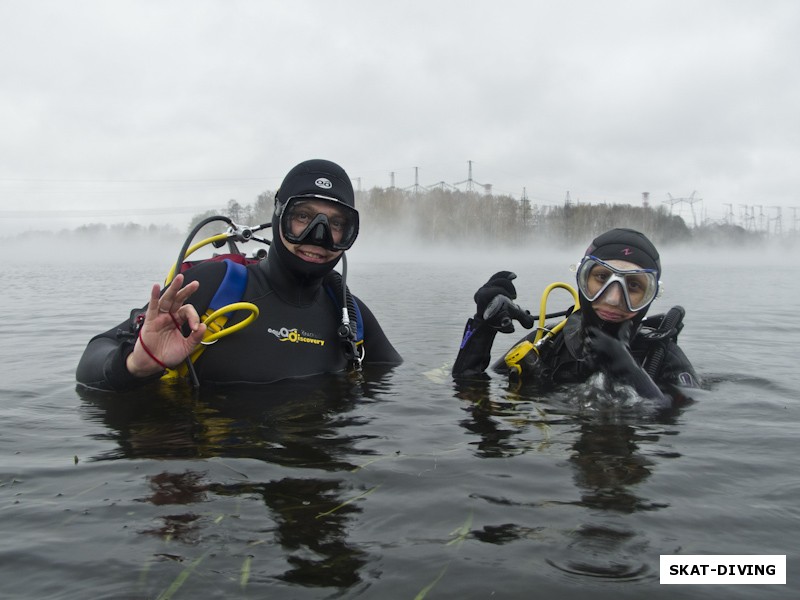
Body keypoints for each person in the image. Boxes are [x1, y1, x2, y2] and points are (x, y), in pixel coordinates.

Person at [77, 159, 402, 390]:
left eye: (335, 224)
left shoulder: (349, 313)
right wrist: (137, 364)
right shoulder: (213, 287)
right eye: (303, 216)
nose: (319, 237)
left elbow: (402, 388)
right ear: (278, 218)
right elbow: (93, 359)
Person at [452, 228, 699, 409]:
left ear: (651, 295)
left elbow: (678, 422)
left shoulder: (664, 359)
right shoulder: (550, 343)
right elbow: (468, 392)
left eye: (633, 285)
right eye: (602, 278)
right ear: (582, 281)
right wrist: (482, 330)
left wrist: (629, 371)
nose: (613, 299)